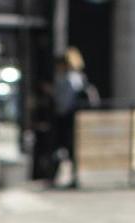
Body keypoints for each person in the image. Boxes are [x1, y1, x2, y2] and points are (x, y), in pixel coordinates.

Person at [50, 47, 97, 188]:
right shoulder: (79, 77)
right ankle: (72, 177)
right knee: (70, 149)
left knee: (64, 148)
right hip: (75, 118)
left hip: (67, 117)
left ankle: (61, 177)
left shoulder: (67, 78)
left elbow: (63, 102)